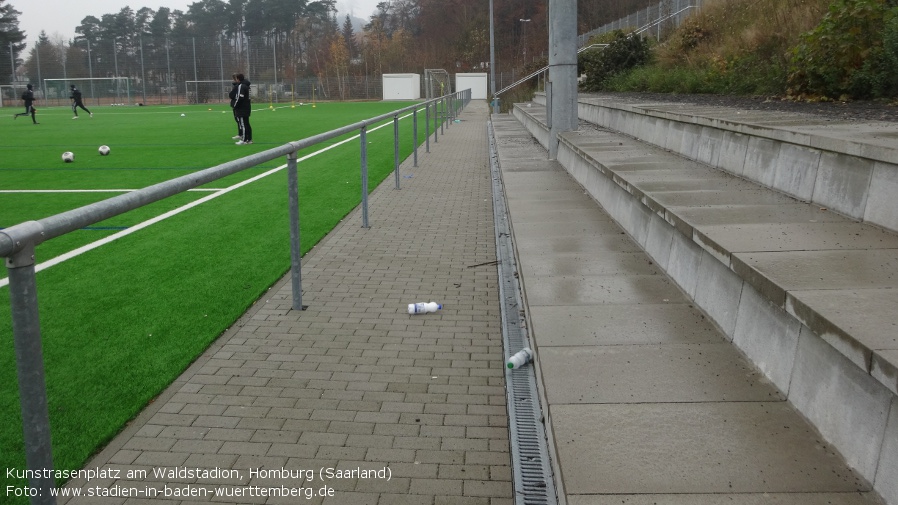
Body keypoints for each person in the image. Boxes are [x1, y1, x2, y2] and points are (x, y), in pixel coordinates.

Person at [231, 73, 253, 145]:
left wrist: (235, 106)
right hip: (247, 107)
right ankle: (249, 139)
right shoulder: (247, 86)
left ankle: (243, 140)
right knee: (247, 124)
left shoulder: (241, 86)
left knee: (243, 124)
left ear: (238, 79)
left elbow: (240, 98)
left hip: (242, 108)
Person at [228, 74, 242, 140]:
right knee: (238, 120)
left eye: (235, 79)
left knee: (239, 120)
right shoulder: (237, 86)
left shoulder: (238, 86)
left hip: (237, 105)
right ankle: (241, 134)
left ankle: (241, 134)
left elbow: (231, 95)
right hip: (236, 105)